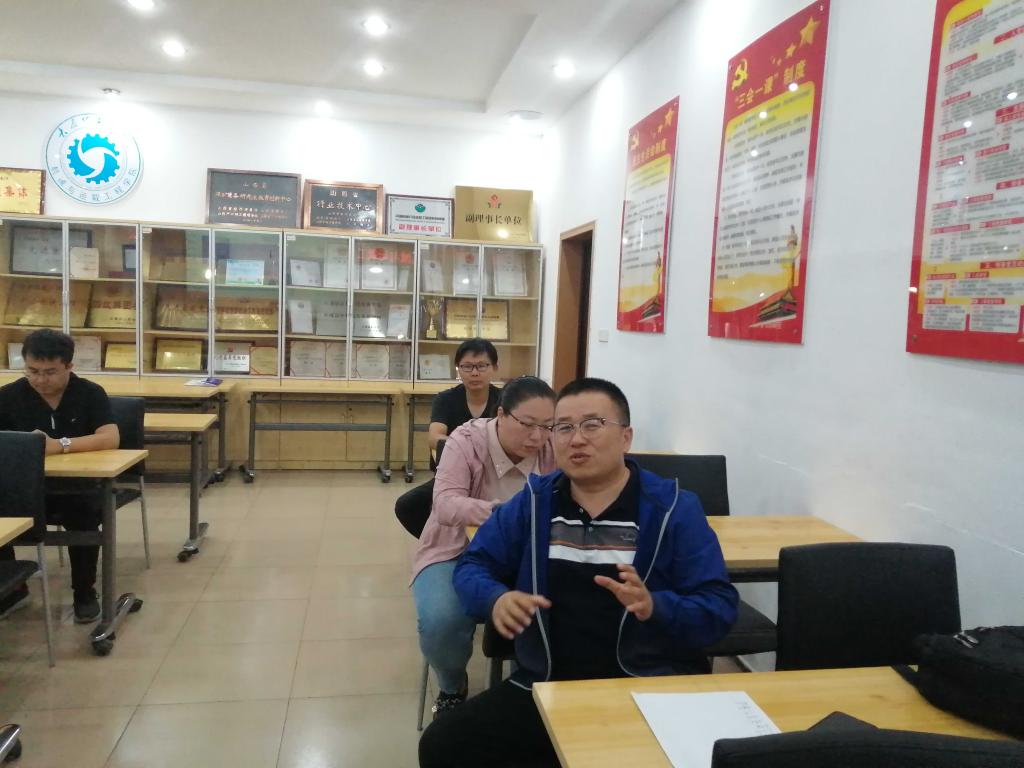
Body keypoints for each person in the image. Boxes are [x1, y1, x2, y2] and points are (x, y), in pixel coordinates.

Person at [419, 377, 738, 768]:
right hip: (547, 682)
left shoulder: (674, 509)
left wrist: (656, 605)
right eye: (564, 428)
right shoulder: (534, 501)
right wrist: (496, 598)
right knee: (443, 746)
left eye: (592, 425)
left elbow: (719, 608)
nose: (576, 439)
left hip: (646, 682)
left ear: (626, 437)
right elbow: (474, 565)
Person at [412, 375, 556, 720]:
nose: (538, 437)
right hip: (457, 549)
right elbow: (445, 504)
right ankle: (451, 686)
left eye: (547, 426)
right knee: (442, 620)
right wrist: (503, 514)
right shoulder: (466, 441)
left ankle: (530, 687)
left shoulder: (552, 447)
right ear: (501, 414)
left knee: (552, 610)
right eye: (527, 424)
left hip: (527, 554)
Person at [0, 329, 120, 623]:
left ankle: (84, 592)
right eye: (33, 371)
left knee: (84, 516)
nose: (40, 380)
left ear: (69, 366)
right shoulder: (9, 396)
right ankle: (12, 589)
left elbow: (110, 437)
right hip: (23, 489)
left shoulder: (89, 393)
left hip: (76, 486)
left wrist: (60, 445)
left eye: (50, 372)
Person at [395, 338, 502, 538]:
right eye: (467, 366)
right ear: (458, 369)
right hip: (454, 474)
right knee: (407, 505)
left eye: (482, 366)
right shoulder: (446, 399)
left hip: (494, 476)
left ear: (494, 368)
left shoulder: (504, 400)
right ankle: (441, 543)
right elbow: (434, 437)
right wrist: (466, 448)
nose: (475, 373)